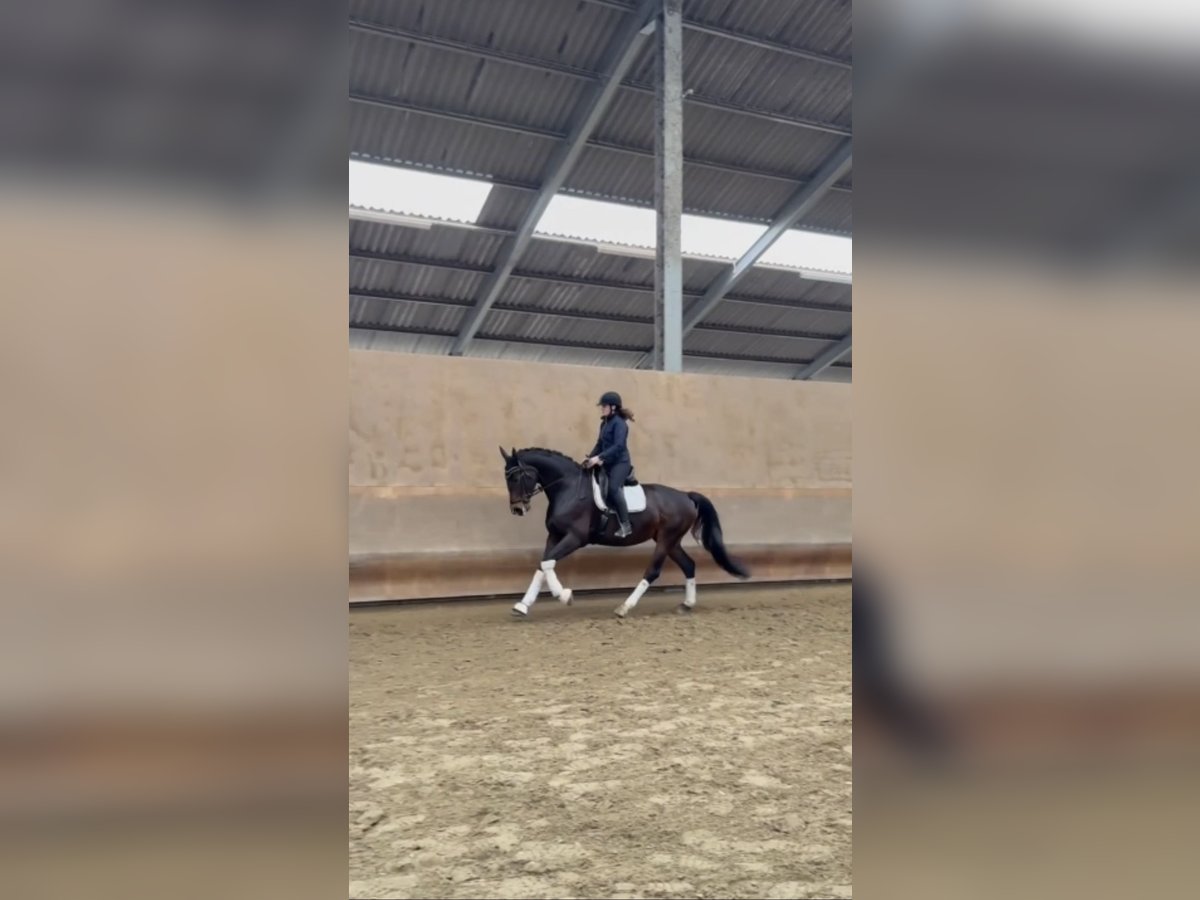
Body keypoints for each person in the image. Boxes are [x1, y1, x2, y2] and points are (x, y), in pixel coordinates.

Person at [583, 390, 635, 538]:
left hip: (620, 463)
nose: (602, 408)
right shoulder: (604, 423)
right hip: (606, 462)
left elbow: (618, 446)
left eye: (604, 406)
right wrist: (590, 458)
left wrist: (600, 457)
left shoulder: (620, 424)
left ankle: (626, 525)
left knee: (613, 488)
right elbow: (599, 444)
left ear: (613, 407)